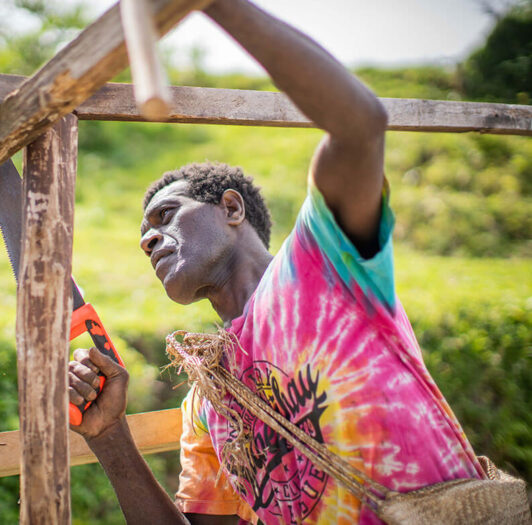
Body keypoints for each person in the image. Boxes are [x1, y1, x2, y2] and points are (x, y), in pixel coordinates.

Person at [67, 1, 485, 523]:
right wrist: (109, 437)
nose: (150, 240)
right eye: (144, 238)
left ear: (231, 208)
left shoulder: (323, 263)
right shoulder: (208, 401)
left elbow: (360, 124)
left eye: (166, 215)